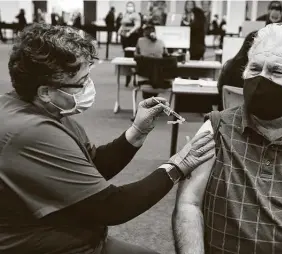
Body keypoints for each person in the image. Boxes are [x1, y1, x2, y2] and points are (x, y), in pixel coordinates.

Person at [0, 23, 214, 254]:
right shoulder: (32, 131)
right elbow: (112, 207)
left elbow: (92, 167)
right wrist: (178, 165)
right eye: (81, 83)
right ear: (45, 91)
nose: (88, 88)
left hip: (69, 232)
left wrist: (136, 132)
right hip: (46, 243)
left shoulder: (40, 107)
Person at [173, 23, 282, 253]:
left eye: (277, 71)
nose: (261, 79)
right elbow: (189, 203)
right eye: (255, 68)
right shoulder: (217, 127)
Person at [217, 31, 258, 110]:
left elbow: (219, 92)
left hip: (228, 117)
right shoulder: (261, 74)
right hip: (253, 120)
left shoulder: (229, 66)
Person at [135, 24, 169, 99]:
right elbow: (166, 55)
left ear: (144, 33)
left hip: (144, 81)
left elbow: (136, 55)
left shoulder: (140, 41)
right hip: (160, 81)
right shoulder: (161, 42)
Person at [118, 1, 141, 87]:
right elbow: (123, 25)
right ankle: (128, 76)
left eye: (131, 6)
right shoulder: (125, 15)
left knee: (132, 56)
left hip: (132, 37)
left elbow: (137, 25)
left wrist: (130, 32)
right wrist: (120, 30)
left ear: (134, 7)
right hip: (125, 37)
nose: (129, 7)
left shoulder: (136, 15)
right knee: (126, 56)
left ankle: (135, 77)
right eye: (128, 6)